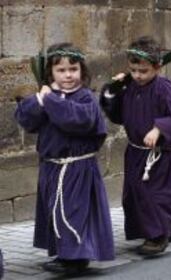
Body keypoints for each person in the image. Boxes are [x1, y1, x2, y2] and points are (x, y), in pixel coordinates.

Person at [15, 43, 114, 274]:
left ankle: (76, 258)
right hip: (52, 168)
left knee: (73, 211)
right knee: (56, 211)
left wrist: (50, 101)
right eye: (61, 70)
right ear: (51, 73)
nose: (68, 75)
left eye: (73, 69)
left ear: (82, 71)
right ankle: (65, 253)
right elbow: (26, 120)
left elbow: (77, 120)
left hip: (77, 167)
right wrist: (39, 100)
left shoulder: (85, 98)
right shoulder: (48, 96)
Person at [100, 36, 171, 255]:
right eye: (134, 70)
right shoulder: (129, 86)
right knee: (136, 194)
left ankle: (159, 237)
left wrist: (159, 128)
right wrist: (113, 90)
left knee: (157, 195)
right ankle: (146, 231)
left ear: (157, 68)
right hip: (135, 152)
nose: (138, 76)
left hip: (158, 156)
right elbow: (118, 114)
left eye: (144, 71)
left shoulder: (165, 88)